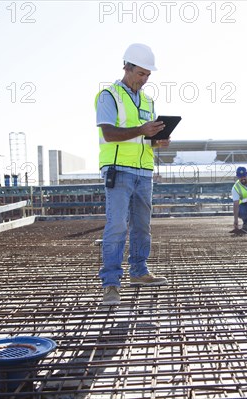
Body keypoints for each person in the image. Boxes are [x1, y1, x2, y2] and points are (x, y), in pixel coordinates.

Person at [95, 43, 169, 306]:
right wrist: (142, 130)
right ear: (126, 67)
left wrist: (156, 140)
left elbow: (144, 138)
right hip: (119, 171)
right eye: (141, 73)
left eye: (148, 74)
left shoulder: (148, 100)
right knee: (116, 227)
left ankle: (139, 272)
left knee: (142, 227)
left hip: (144, 172)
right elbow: (109, 133)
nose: (145, 79)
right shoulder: (109, 96)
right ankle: (111, 284)